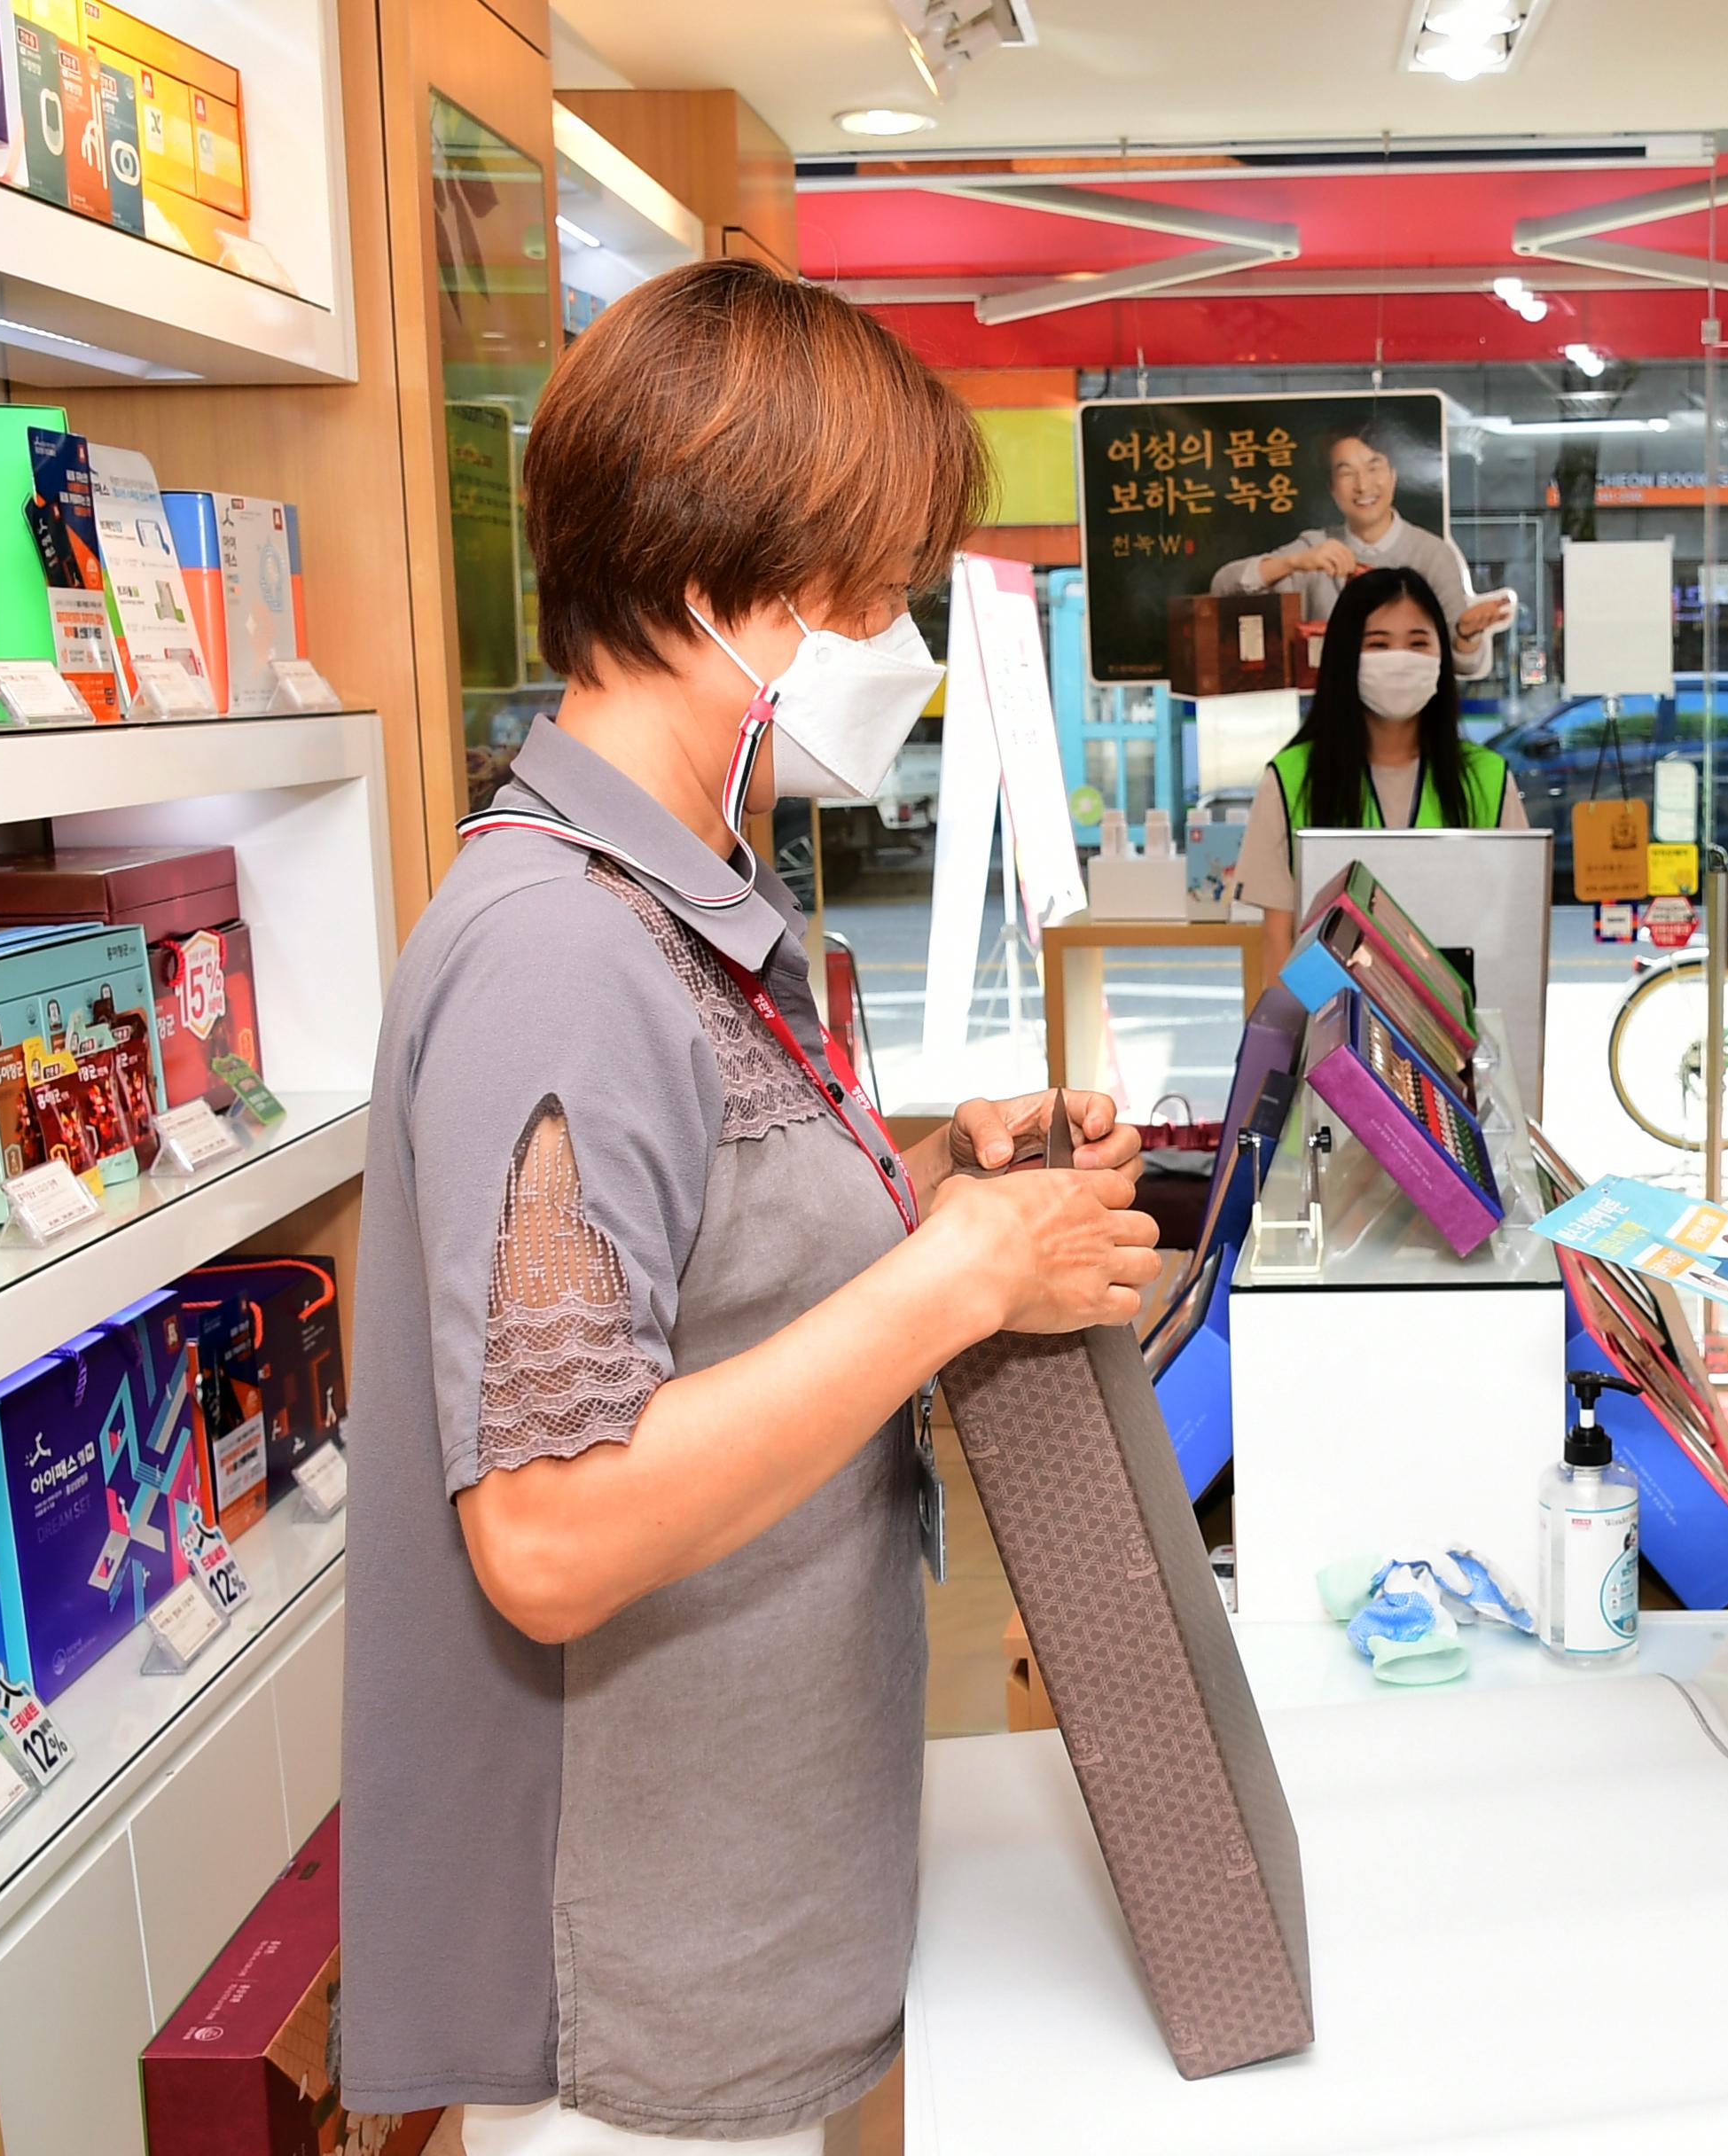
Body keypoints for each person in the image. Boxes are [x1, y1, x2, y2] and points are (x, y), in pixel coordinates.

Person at [339, 261, 1163, 2156]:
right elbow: (547, 1527)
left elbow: (713, 1262)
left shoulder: (683, 898)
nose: (899, 643)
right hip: (638, 1996)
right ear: (719, 599)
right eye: (870, 596)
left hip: (759, 1907)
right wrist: (950, 1284)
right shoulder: (559, 946)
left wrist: (950, 1177)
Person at [1237, 564, 1529, 973]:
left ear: (1441, 657)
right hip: (1330, 1028)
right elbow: (1277, 941)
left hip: (1457, 1029)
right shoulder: (1289, 779)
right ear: (1344, 655)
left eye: (1417, 643)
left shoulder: (1489, 779)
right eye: (1378, 644)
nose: (1400, 660)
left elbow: (1515, 929)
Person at [1211, 418, 1513, 676]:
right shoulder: (1315, 548)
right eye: (1346, 473)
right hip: (1334, 716)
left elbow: (1463, 666)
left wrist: (1466, 634)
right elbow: (1222, 587)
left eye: (1373, 467)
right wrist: (1293, 563)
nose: (1363, 485)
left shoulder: (1432, 554)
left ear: (1393, 476)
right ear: (1332, 488)